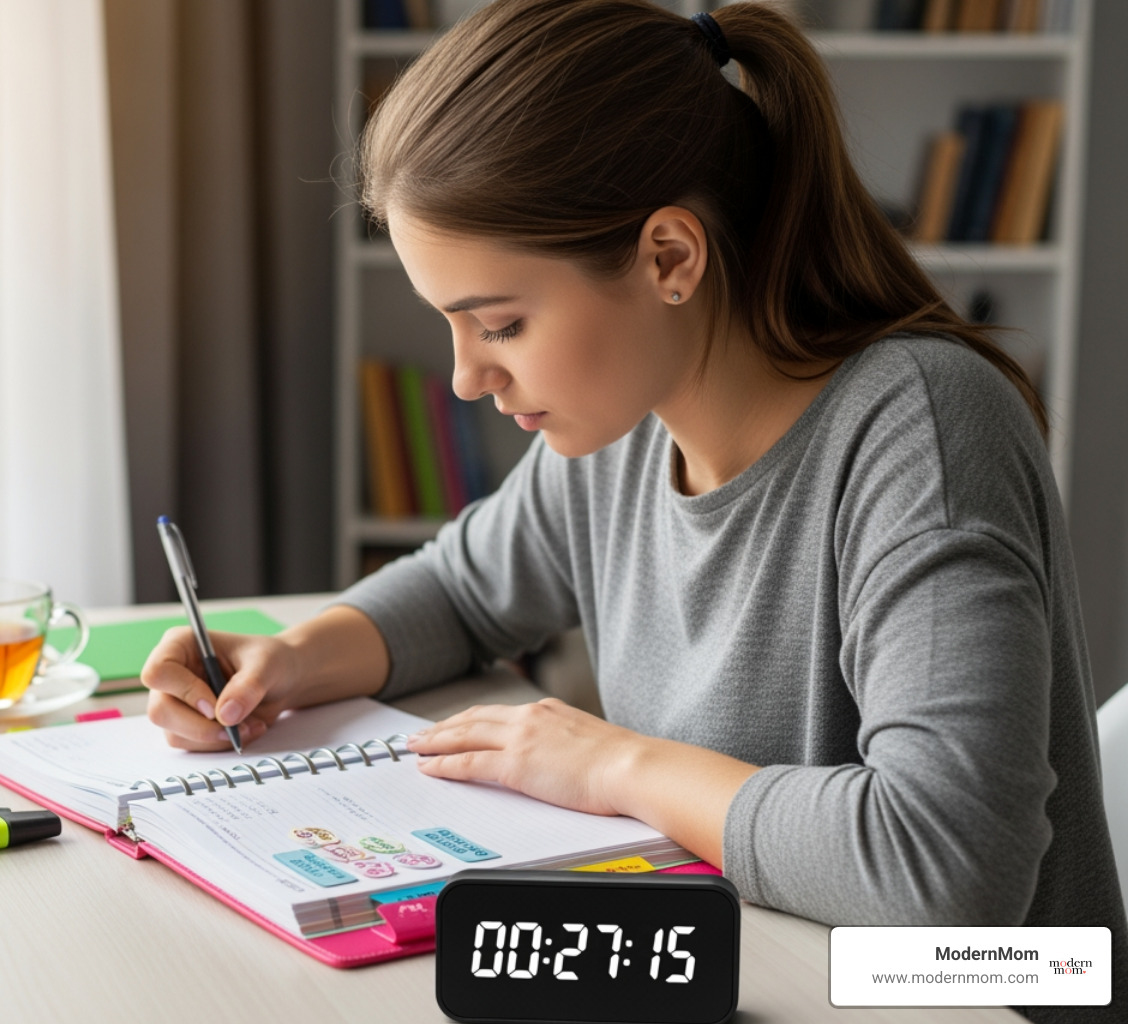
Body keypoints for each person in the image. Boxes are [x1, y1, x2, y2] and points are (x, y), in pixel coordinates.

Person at [141, 2, 1123, 1018]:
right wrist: (289, 660)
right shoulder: (622, 428)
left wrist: (613, 763)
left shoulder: (921, 427)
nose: (468, 378)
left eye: (502, 324)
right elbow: (464, 593)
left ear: (668, 258)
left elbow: (945, 870)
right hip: (756, 960)